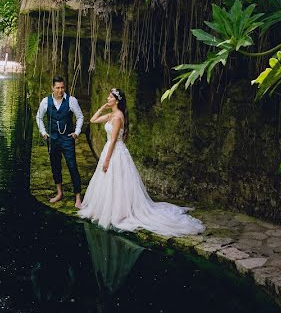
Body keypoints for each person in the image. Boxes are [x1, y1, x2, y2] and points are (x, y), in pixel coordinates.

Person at [78, 87, 204, 237]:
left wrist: (106, 160)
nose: (108, 99)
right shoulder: (111, 114)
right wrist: (102, 107)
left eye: (110, 97)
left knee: (117, 182)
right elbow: (92, 120)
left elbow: (112, 141)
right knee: (109, 182)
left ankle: (119, 211)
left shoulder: (118, 117)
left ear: (117, 100)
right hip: (110, 150)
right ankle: (107, 209)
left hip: (115, 152)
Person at [36, 76, 84, 208]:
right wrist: (44, 133)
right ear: (53, 88)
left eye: (62, 87)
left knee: (72, 166)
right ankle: (59, 193)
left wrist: (77, 132)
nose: (60, 90)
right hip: (53, 139)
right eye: (57, 88)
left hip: (67, 139)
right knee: (55, 166)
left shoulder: (71, 101)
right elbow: (39, 117)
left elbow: (80, 116)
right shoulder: (46, 102)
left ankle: (78, 197)